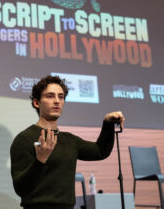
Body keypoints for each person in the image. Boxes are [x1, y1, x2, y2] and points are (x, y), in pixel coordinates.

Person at [10, 75, 125, 209]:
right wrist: (40, 160)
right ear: (36, 103)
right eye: (50, 96)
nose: (57, 101)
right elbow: (20, 188)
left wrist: (107, 123)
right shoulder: (24, 139)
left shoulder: (70, 140)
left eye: (61, 96)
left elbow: (100, 151)